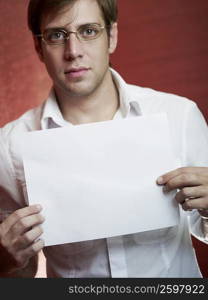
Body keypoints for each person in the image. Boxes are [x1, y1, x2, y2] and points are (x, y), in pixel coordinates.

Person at [0, 0, 208, 278]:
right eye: (56, 35)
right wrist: (5, 259)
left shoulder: (179, 116)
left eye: (88, 31)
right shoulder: (10, 146)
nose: (73, 52)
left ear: (112, 37)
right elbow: (20, 277)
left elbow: (203, 230)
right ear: (39, 47)